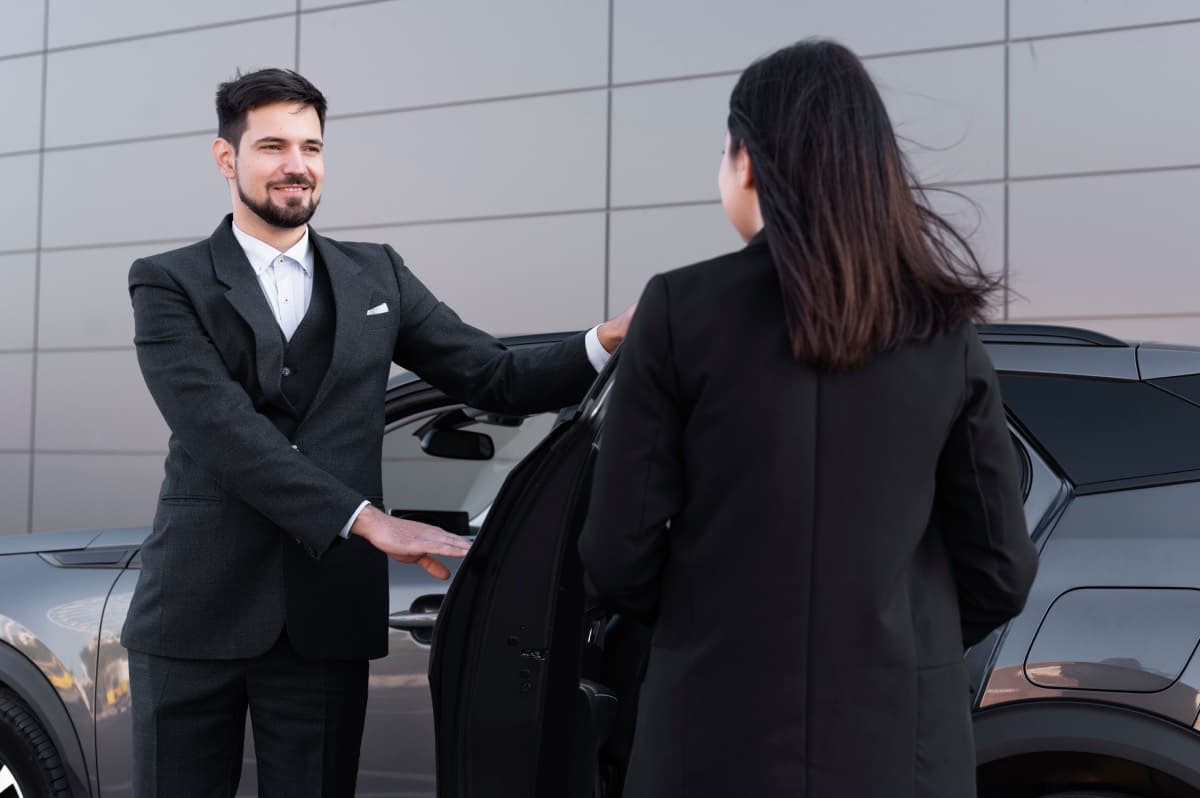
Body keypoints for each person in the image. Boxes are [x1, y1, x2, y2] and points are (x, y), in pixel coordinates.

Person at [123, 68, 631, 797]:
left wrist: (606, 341)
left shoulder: (378, 275)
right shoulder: (167, 281)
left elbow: (494, 376)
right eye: (272, 146)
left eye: (312, 146)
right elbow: (221, 431)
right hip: (196, 612)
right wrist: (364, 520)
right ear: (225, 158)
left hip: (327, 616)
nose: (297, 165)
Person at [578, 39, 1038, 798]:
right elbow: (1001, 569)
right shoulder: (943, 328)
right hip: (902, 748)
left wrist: (707, 623)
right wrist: (895, 640)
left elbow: (617, 550)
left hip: (711, 734)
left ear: (747, 160)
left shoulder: (677, 311)